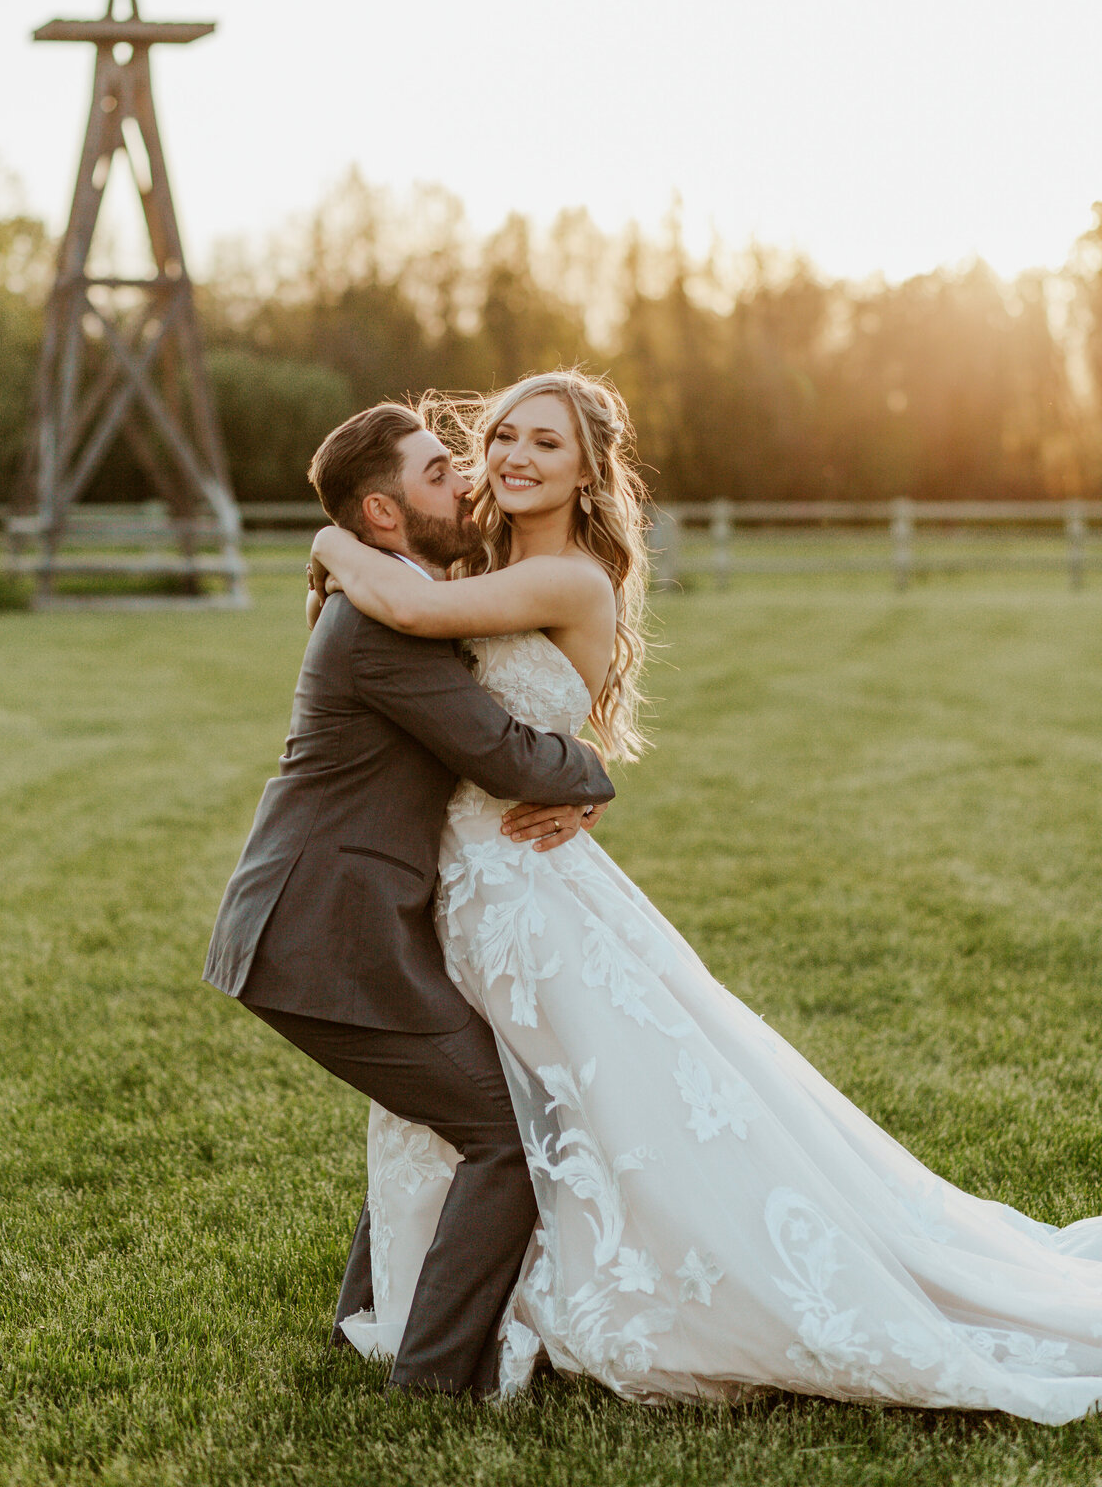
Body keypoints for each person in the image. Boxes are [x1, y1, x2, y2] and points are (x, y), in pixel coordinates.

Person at [306, 367, 1102, 1422]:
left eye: (545, 443)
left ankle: (602, 1300)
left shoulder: (570, 581)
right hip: (460, 882)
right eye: (502, 438)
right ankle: (439, 1303)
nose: (513, 459)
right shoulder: (485, 560)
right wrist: (574, 776)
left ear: (590, 469)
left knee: (573, 1109)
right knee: (482, 1104)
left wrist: (330, 545)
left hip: (521, 890)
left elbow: (410, 608)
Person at [203, 401, 615, 1399]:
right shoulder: (385, 624)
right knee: (505, 1130)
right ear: (386, 516)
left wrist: (332, 544)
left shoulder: (405, 591)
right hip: (323, 938)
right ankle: (432, 1380)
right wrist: (594, 772)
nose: (471, 478)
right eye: (442, 471)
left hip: (347, 923)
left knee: (437, 1104)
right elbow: (504, 754)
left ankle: (373, 1318)